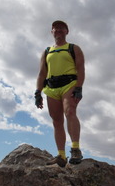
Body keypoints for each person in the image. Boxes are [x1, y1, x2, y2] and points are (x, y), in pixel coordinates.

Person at [35, 20, 85, 167]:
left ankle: (75, 149)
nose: (58, 30)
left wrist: (79, 87)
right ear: (52, 32)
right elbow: (41, 73)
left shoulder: (73, 48)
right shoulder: (47, 51)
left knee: (70, 111)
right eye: (55, 29)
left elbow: (81, 69)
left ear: (66, 31)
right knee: (56, 121)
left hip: (69, 83)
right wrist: (38, 92)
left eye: (62, 28)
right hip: (51, 87)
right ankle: (61, 156)